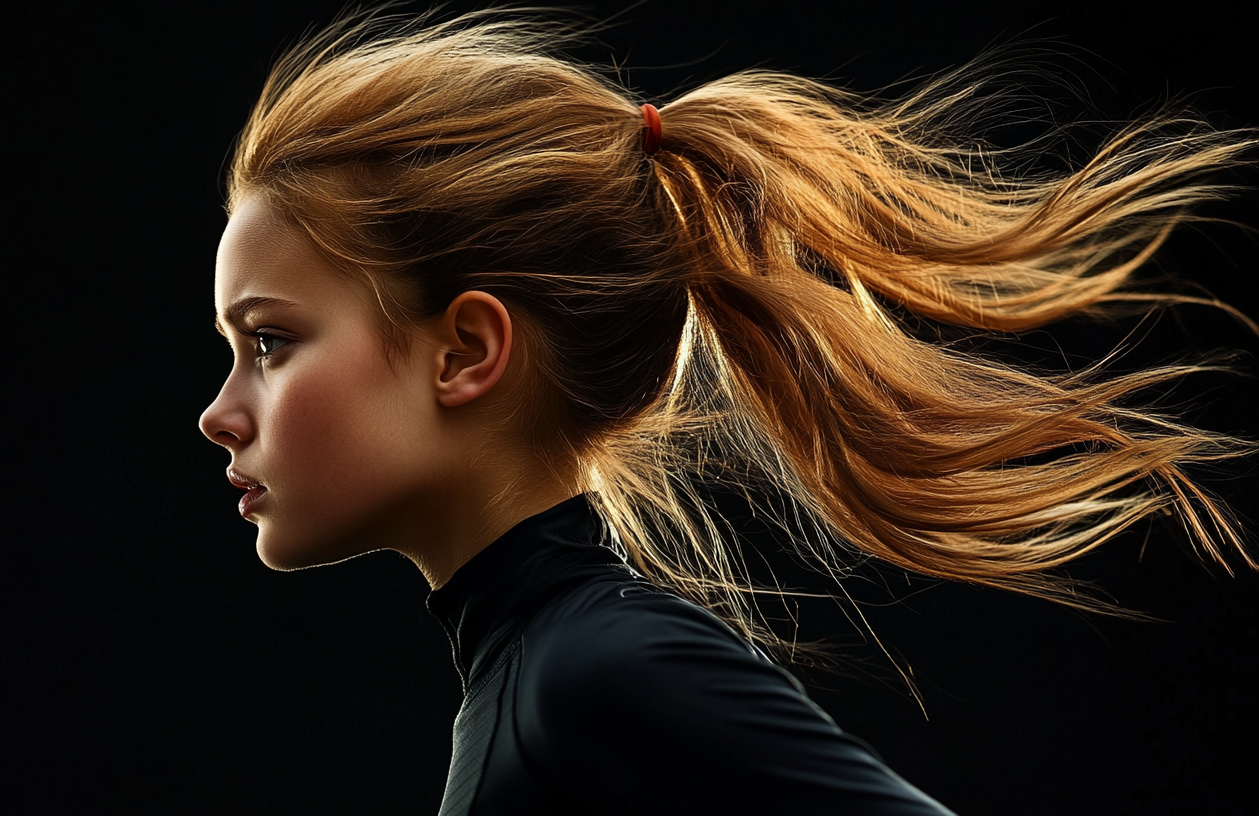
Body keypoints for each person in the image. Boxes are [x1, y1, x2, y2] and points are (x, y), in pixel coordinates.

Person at [197, 9, 1255, 814]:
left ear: (468, 350)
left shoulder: (599, 676)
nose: (219, 413)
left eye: (271, 342)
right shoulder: (549, 681)